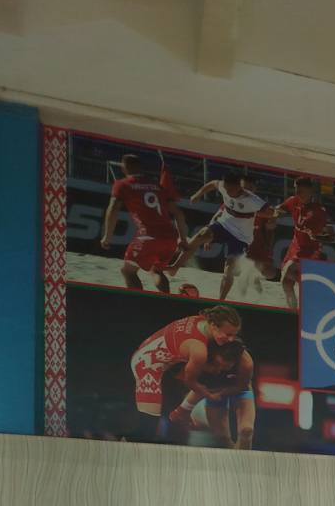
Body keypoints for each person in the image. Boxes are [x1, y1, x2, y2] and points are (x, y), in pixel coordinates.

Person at [130, 303, 243, 427]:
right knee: (148, 424)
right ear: (213, 325)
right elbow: (190, 382)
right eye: (228, 334)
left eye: (234, 334)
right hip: (145, 365)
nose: (231, 339)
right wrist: (209, 395)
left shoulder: (202, 319)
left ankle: (182, 411)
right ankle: (182, 412)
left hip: (151, 349)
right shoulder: (199, 351)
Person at [167, 171, 267, 302]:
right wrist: (198, 194)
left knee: (230, 269)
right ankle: (175, 266)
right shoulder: (224, 188)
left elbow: (272, 212)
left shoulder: (253, 200)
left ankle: (221, 300)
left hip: (241, 237)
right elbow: (213, 185)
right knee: (201, 235)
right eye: (226, 189)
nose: (227, 192)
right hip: (224, 225)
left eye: (230, 189)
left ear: (239, 187)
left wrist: (264, 214)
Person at [99, 153, 186, 293]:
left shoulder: (122, 184)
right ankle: (166, 299)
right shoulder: (156, 185)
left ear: (124, 168)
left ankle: (137, 301)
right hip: (170, 238)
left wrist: (107, 236)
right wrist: (182, 238)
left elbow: (113, 208)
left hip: (148, 236)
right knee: (156, 270)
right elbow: (179, 213)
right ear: (140, 167)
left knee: (128, 271)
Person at [277, 175, 334, 309]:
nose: (297, 193)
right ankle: (293, 310)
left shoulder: (318, 211)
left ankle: (312, 289)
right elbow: (280, 209)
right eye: (296, 190)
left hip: (311, 248)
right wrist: (273, 214)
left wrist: (316, 237)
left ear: (310, 191)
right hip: (296, 244)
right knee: (286, 282)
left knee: (288, 272)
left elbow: (332, 237)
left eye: (300, 191)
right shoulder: (293, 201)